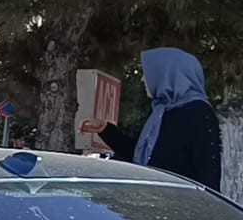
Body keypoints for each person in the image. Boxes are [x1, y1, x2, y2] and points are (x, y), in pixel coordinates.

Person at [81, 47, 222, 190]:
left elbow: (207, 175)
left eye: (149, 73)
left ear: (166, 74)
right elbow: (143, 158)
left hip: (182, 205)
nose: (143, 79)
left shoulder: (198, 113)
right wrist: (106, 131)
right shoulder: (162, 111)